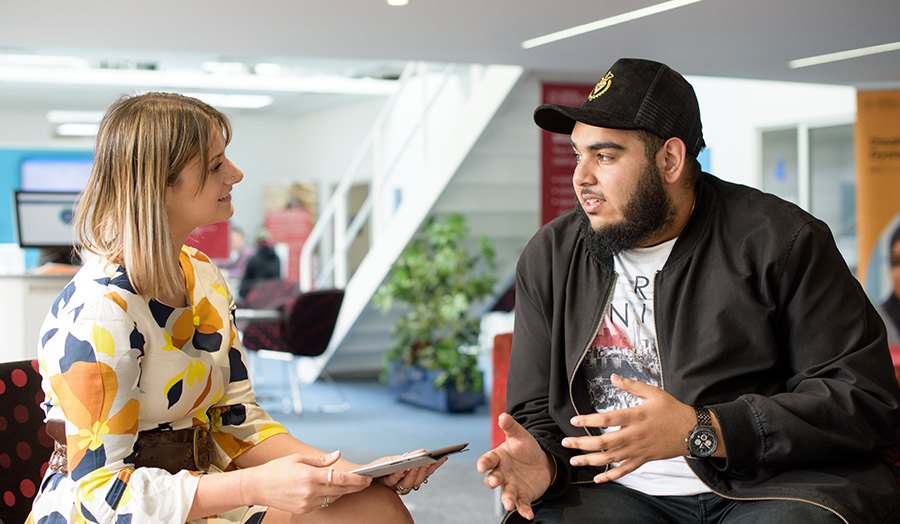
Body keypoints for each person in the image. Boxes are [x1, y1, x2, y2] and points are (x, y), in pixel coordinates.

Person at [476, 58, 900, 524]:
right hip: (618, 490)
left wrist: (704, 430)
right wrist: (548, 466)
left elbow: (861, 397)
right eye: (578, 154)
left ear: (671, 160)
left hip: (769, 484)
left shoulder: (781, 240)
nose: (581, 177)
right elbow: (535, 409)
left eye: (605, 155)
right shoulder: (552, 255)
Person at [30, 92, 442, 524]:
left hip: (204, 487)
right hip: (120, 510)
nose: (236, 173)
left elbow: (236, 420)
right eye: (215, 165)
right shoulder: (100, 309)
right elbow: (102, 496)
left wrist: (351, 474)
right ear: (158, 184)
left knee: (375, 508)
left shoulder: (203, 276)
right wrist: (253, 485)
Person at [239, 229, 282, 299]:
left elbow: (244, 285)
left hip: (255, 300)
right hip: (272, 299)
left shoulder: (253, 259)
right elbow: (278, 280)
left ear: (257, 243)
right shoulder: (276, 258)